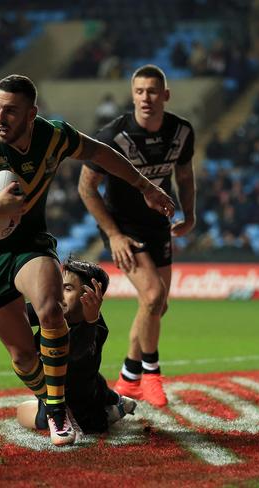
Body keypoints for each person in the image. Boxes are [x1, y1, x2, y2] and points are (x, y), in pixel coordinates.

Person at [0, 74, 175, 446]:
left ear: (32, 114)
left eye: (11, 111)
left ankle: (59, 412)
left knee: (50, 309)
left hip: (30, 243)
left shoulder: (54, 136)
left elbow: (99, 152)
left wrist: (145, 185)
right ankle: (57, 402)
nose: (0, 118)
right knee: (21, 355)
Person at [78, 64, 196, 407]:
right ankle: (152, 374)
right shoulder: (112, 136)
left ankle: (128, 377)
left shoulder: (182, 132)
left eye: (153, 91)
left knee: (158, 304)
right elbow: (86, 188)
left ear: (166, 95)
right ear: (133, 96)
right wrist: (113, 234)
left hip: (158, 224)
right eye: (140, 91)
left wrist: (190, 215)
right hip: (123, 227)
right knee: (153, 294)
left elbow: (185, 176)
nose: (147, 98)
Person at [17, 258, 136, 434]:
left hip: (83, 413)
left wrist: (90, 322)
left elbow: (74, 351)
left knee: (21, 412)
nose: (58, 293)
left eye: (67, 288)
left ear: (91, 295)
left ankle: (112, 409)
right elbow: (17, 314)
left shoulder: (95, 329)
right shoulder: (55, 309)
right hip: (86, 388)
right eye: (58, 286)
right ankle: (113, 399)